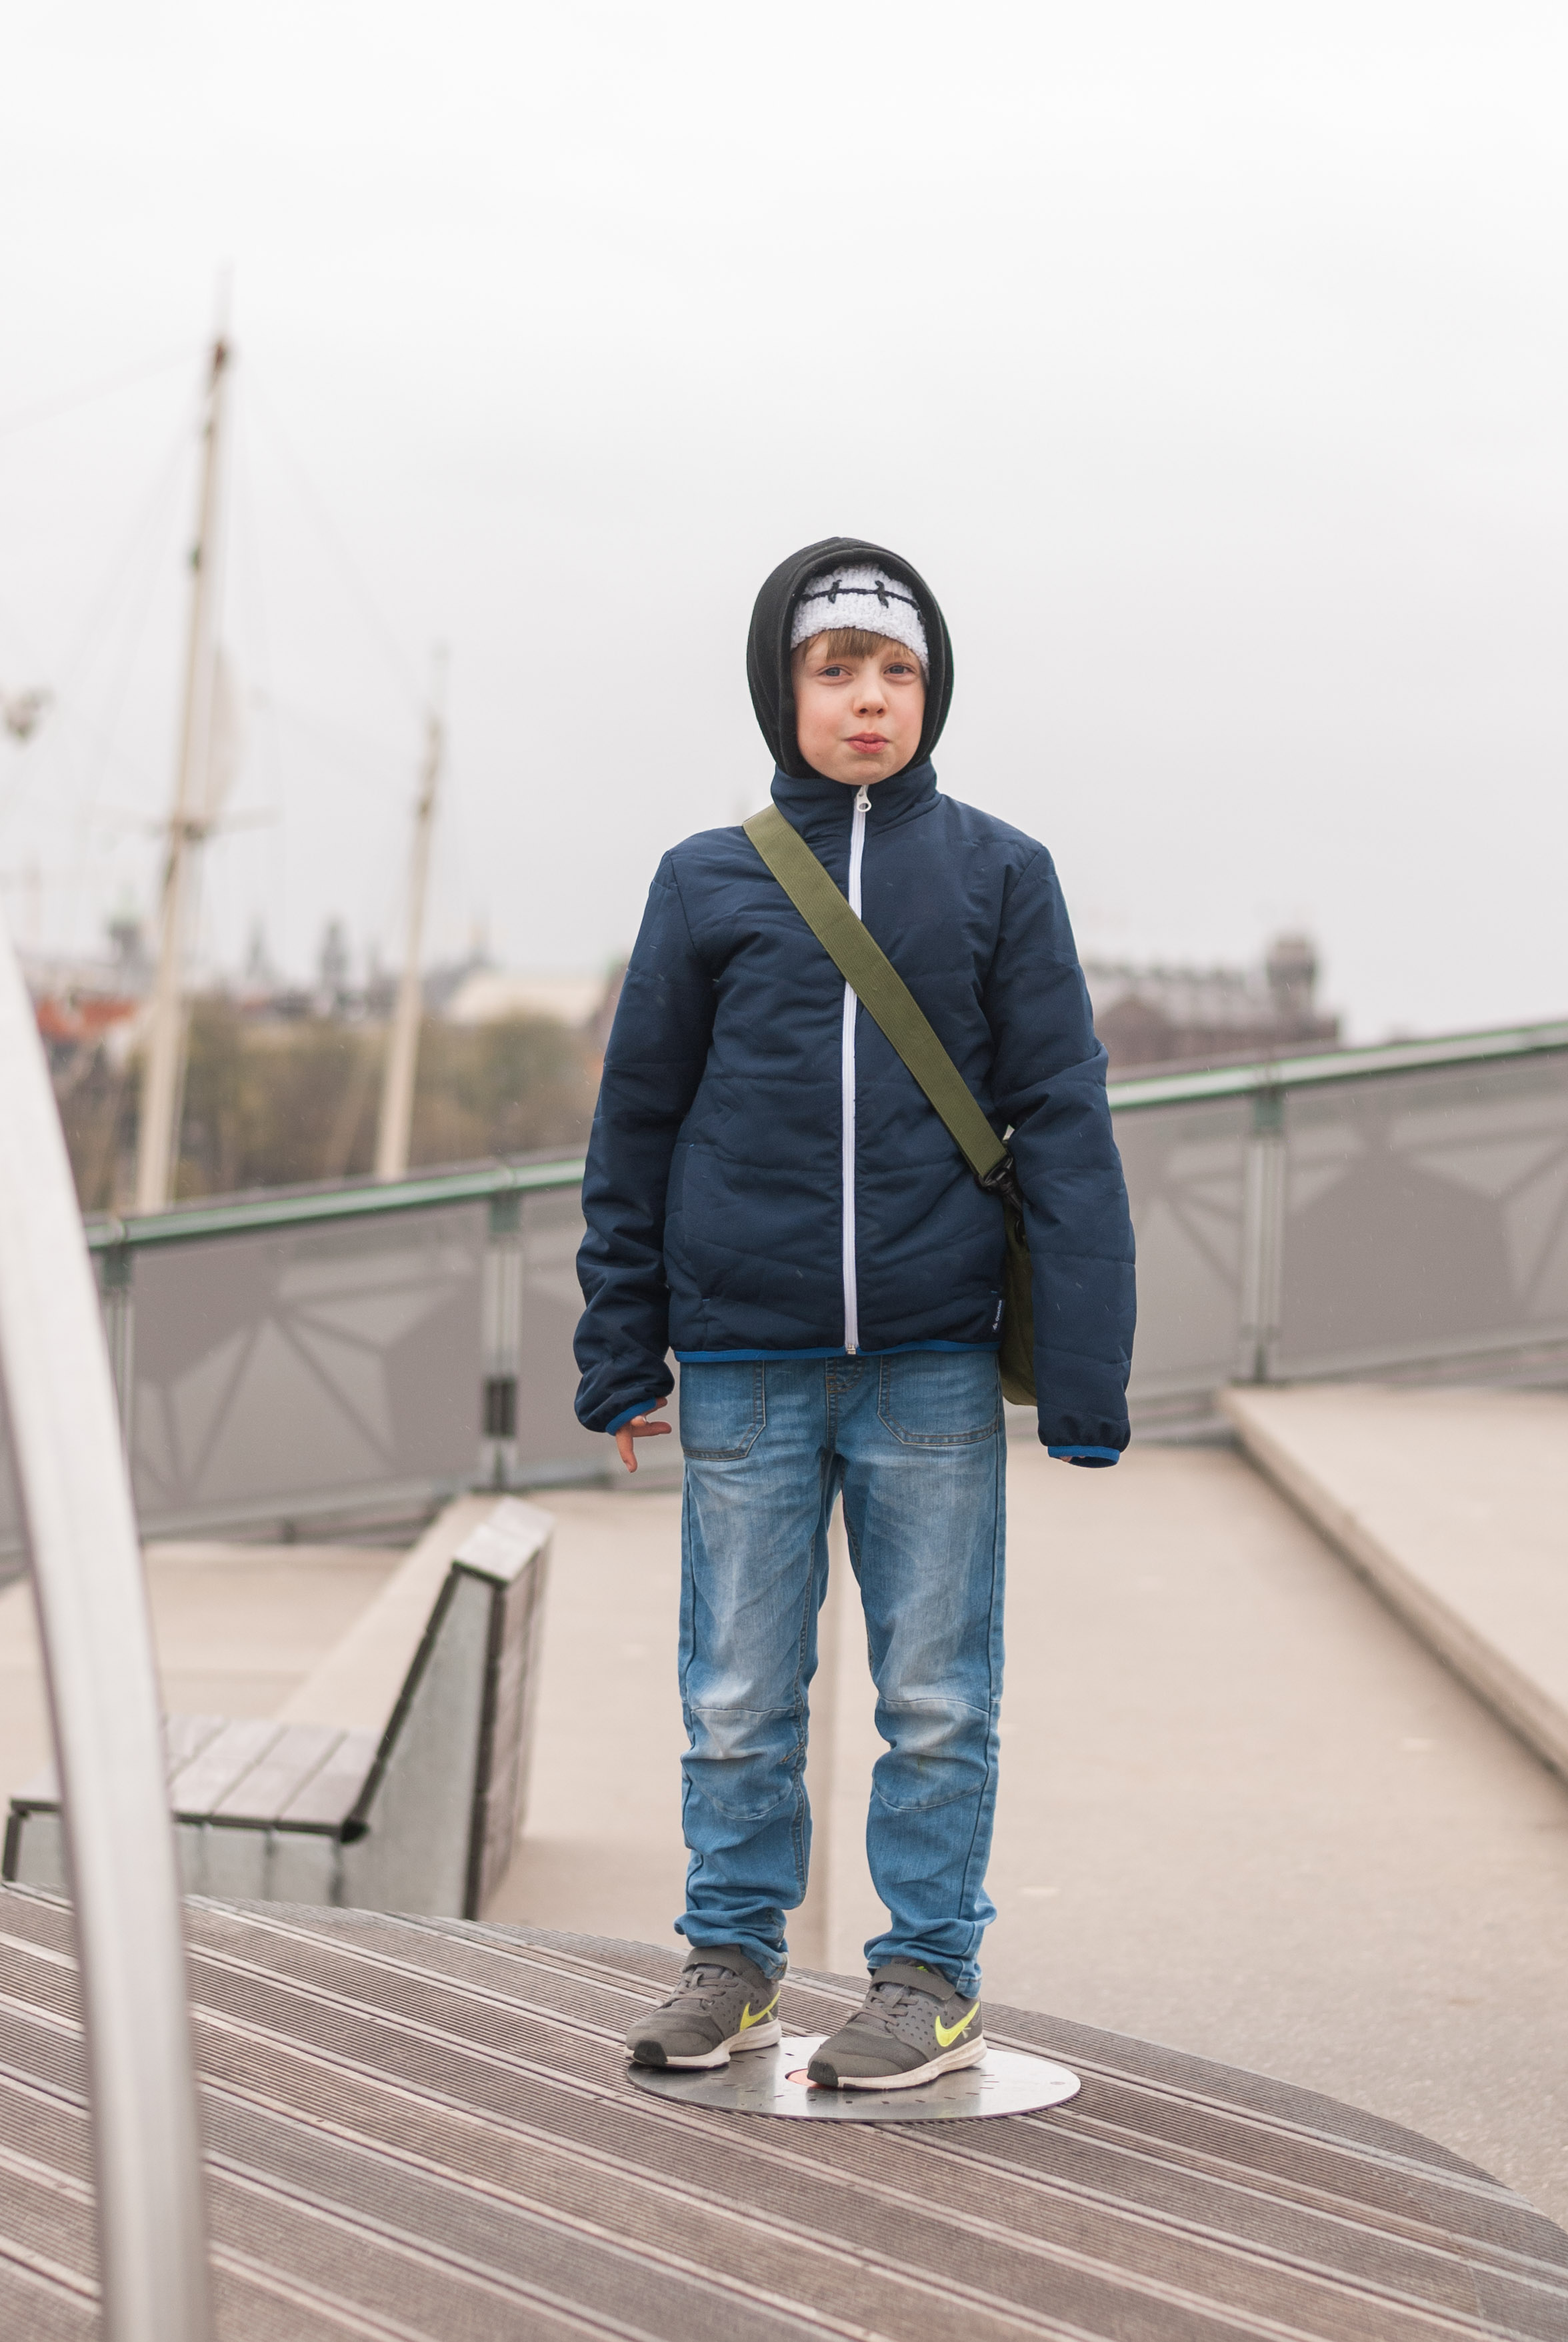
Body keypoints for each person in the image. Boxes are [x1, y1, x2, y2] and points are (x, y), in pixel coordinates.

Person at [574, 537, 1135, 2090]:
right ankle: (732, 1960)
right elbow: (635, 1124)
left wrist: (1085, 1375)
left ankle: (928, 1977)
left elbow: (1063, 1117)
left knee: (938, 1697)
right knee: (736, 1696)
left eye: (897, 670)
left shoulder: (1002, 873)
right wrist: (619, 1346)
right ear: (784, 689)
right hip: (741, 1363)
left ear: (933, 689)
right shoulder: (706, 878)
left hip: (931, 1364)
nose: (870, 698)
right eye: (837, 670)